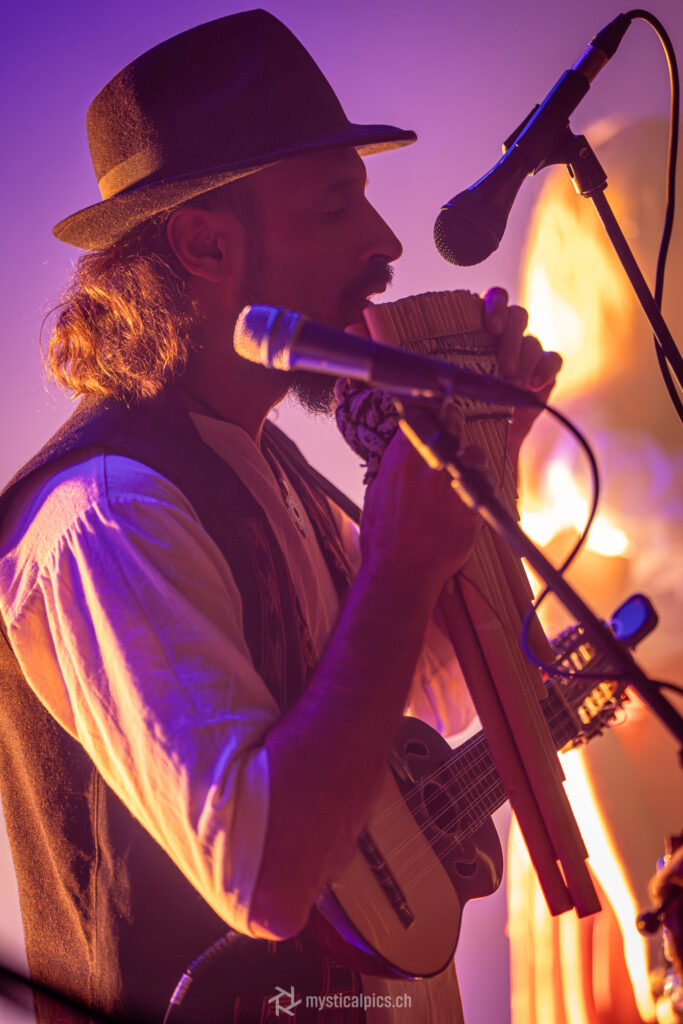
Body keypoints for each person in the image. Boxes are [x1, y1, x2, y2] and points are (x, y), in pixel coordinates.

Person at [0, 10, 560, 1023]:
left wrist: (487, 466)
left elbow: (430, 688)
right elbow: (263, 876)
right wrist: (397, 567)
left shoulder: (272, 473)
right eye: (336, 205)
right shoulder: (106, 517)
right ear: (207, 244)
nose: (387, 242)